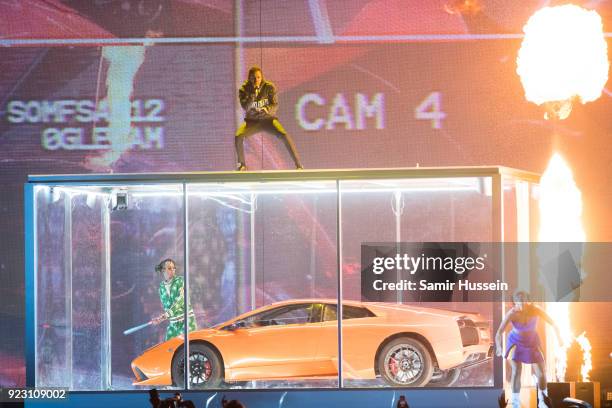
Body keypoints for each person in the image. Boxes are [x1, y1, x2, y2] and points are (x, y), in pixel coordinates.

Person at [495, 291, 562, 408]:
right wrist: (499, 346)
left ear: (527, 299)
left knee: (541, 373)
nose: (520, 300)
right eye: (517, 298)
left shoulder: (536, 309)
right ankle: (515, 403)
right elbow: (499, 332)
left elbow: (553, 323)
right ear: (514, 301)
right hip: (515, 341)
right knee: (517, 370)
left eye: (523, 297)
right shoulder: (512, 313)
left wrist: (559, 338)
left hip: (532, 342)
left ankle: (542, 401)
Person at [234, 66, 303, 171]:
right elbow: (245, 107)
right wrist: (252, 94)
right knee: (239, 136)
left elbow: (275, 105)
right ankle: (242, 165)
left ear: (262, 77)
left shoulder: (269, 87)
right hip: (252, 122)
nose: (256, 80)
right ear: (249, 78)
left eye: (258, 77)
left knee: (284, 135)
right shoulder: (244, 89)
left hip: (268, 120)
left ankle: (298, 165)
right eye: (253, 78)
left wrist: (266, 109)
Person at [152, 258, 197, 340]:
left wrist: (166, 315)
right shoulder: (161, 288)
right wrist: (159, 319)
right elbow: (167, 308)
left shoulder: (181, 281)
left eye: (173, 268)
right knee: (167, 348)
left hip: (187, 321)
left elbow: (181, 300)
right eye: (169, 268)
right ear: (163, 270)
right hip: (173, 324)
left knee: (189, 347)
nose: (172, 270)